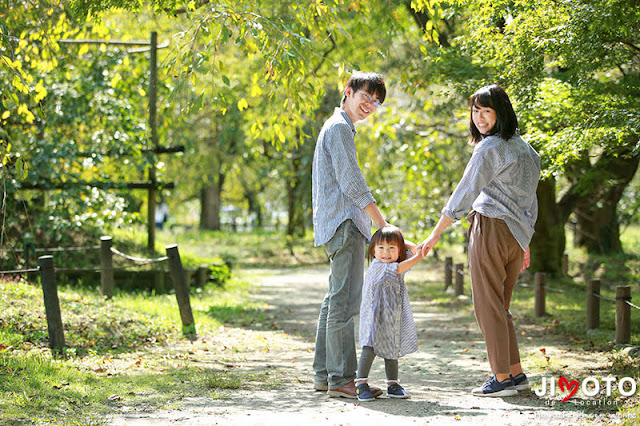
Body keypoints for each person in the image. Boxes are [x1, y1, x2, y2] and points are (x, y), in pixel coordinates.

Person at [418, 84, 540, 397]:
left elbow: (465, 192)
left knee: (488, 306)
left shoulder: (489, 148)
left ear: (501, 112)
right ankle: (515, 373)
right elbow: (531, 201)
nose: (480, 117)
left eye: (487, 110)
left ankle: (500, 379)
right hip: (516, 234)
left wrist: (435, 233)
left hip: (492, 228)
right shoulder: (527, 149)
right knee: (501, 306)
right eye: (476, 110)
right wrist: (525, 240)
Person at [312, 71, 388, 399]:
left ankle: (323, 374)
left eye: (376, 102)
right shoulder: (340, 128)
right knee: (344, 303)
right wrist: (382, 226)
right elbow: (352, 182)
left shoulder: (338, 127)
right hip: (345, 224)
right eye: (366, 97)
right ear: (348, 91)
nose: (370, 105)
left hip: (336, 224)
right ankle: (341, 378)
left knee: (335, 301)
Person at [355, 226, 423, 402]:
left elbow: (414, 249)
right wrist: (419, 257)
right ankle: (361, 384)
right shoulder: (379, 266)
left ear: (399, 250)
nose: (386, 252)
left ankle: (392, 385)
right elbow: (406, 264)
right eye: (381, 248)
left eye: (392, 248)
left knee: (392, 349)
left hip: (391, 316)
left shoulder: (394, 264)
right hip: (374, 317)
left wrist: (402, 242)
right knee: (369, 348)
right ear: (373, 250)